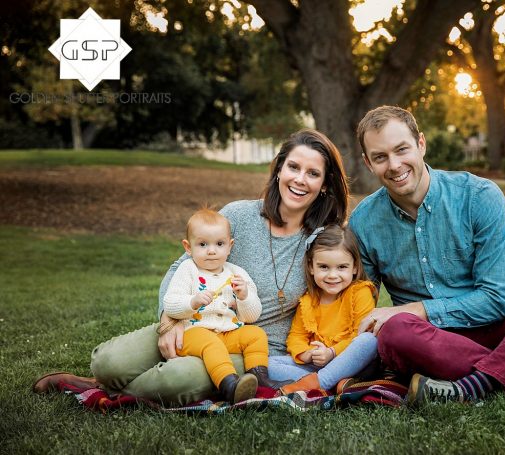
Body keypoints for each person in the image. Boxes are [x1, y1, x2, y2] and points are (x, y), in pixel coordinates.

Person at [32, 129, 350, 406]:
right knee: (108, 362)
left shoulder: (321, 241)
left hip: (248, 345)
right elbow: (179, 267)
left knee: (174, 381)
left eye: (313, 173)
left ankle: (100, 391)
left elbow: (349, 286)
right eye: (293, 167)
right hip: (194, 322)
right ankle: (102, 381)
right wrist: (169, 321)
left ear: (324, 185)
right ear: (278, 170)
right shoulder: (238, 216)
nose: (299, 179)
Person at [349, 106, 505, 405]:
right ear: (368, 163)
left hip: (497, 328)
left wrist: (415, 309)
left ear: (421, 144)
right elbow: (359, 307)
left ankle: (474, 384)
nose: (394, 165)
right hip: (426, 341)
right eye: (380, 157)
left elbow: (496, 301)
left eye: (401, 149)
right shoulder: (364, 221)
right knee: (394, 333)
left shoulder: (479, 196)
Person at [162, 208, 267, 403]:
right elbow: (170, 304)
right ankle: (228, 384)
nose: (212, 250)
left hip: (227, 333)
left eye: (219, 244)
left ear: (230, 246)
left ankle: (260, 378)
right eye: (202, 244)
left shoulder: (237, 273)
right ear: (188, 247)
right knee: (212, 344)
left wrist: (244, 297)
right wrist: (192, 302)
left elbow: (252, 317)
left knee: (255, 335)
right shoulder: (188, 270)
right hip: (193, 334)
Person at [268, 224, 379, 395]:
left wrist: (332, 352)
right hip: (317, 362)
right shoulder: (308, 300)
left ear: (355, 267)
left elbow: (359, 333)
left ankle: (320, 383)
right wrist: (307, 354)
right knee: (267, 364)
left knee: (368, 341)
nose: (332, 275)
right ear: (312, 267)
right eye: (324, 267)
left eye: (342, 267)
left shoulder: (360, 292)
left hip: (350, 361)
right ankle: (331, 384)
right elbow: (296, 336)